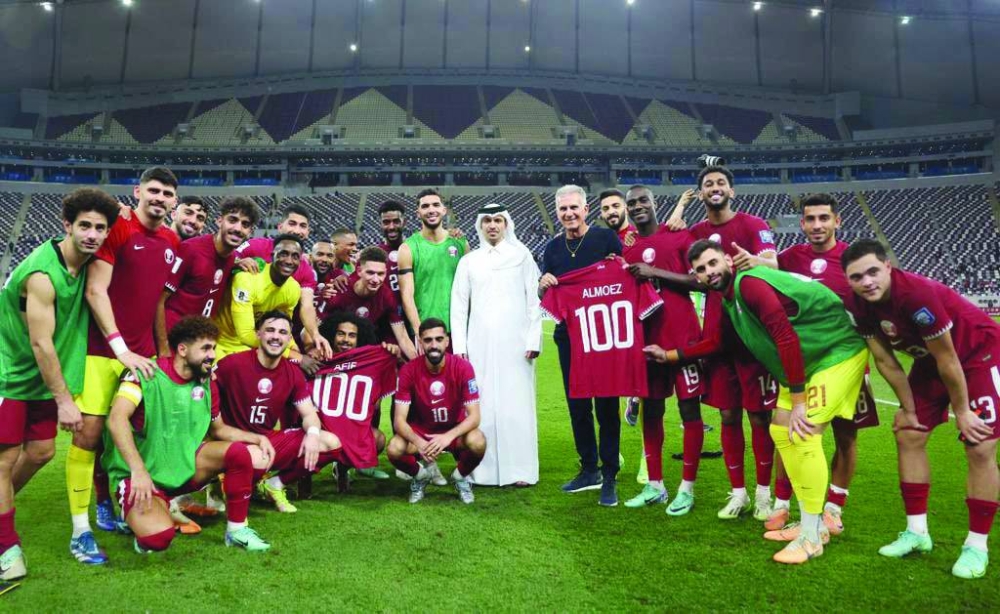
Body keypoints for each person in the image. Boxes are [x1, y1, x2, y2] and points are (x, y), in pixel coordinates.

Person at [645, 239, 868, 564]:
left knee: (802, 434)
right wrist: (670, 355)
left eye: (712, 263)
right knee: (781, 432)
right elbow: (719, 342)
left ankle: (811, 536)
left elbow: (784, 336)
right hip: (812, 359)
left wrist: (799, 399)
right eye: (701, 270)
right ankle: (813, 523)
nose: (709, 272)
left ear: (727, 260)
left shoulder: (749, 284)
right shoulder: (728, 297)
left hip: (835, 352)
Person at [842, 239, 1000, 580]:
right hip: (933, 362)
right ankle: (917, 533)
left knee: (980, 444)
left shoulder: (916, 295)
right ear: (848, 280)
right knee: (908, 432)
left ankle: (976, 546)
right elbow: (884, 358)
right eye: (857, 277)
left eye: (873, 271)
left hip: (979, 354)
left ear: (888, 266)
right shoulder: (856, 305)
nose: (867, 282)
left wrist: (963, 411)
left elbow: (949, 358)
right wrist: (908, 407)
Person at [0, 188, 118, 580]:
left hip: (43, 376)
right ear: (66, 225)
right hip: (11, 373)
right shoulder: (42, 274)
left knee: (40, 452)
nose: (92, 234)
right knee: (3, 459)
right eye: (84, 225)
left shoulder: (87, 264)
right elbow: (40, 342)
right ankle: (6, 549)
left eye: (100, 228)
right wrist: (65, 400)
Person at [68, 166, 181, 564]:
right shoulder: (117, 227)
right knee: (90, 434)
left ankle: (113, 498)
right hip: (102, 351)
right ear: (137, 191)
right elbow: (96, 290)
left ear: (174, 201)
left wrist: (162, 352)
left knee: (131, 433)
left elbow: (157, 303)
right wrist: (119, 348)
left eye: (168, 194)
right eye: (153, 190)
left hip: (144, 355)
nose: (160, 198)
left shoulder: (171, 239)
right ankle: (81, 529)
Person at [103, 316, 274, 553]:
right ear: (182, 349)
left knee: (241, 453)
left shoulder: (206, 382)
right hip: (141, 474)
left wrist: (256, 438)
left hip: (181, 466)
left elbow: (219, 429)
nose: (212, 355)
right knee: (158, 539)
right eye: (205, 348)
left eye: (213, 348)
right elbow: (116, 419)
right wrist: (138, 470)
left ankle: (237, 530)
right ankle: (142, 511)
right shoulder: (146, 372)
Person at [772, 193, 878, 534]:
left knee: (846, 437)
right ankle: (784, 503)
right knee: (791, 430)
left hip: (845, 362)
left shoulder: (851, 260)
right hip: (802, 363)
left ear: (837, 221)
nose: (817, 225)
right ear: (801, 223)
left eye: (824, 218)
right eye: (810, 219)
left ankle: (833, 507)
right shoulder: (789, 258)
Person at [679, 165, 779, 521]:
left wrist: (754, 261)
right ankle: (739, 494)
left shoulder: (753, 225)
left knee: (759, 417)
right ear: (701, 194)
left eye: (721, 182)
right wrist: (676, 214)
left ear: (731, 191)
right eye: (708, 184)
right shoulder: (696, 233)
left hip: (753, 339)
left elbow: (774, 262)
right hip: (718, 341)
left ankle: (763, 495)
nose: (715, 188)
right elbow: (680, 264)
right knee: (727, 414)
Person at [620, 185, 707, 516]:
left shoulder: (678, 237)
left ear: (655, 204)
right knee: (651, 412)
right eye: (632, 204)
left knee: (689, 413)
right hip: (648, 344)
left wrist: (654, 272)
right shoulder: (629, 250)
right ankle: (655, 485)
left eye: (643, 200)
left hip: (683, 340)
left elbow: (700, 281)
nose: (638, 206)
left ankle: (687, 488)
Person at [539, 184, 624, 506]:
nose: (569, 214)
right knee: (578, 406)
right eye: (563, 209)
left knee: (606, 405)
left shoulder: (604, 239)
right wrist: (542, 285)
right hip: (568, 336)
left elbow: (621, 278)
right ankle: (589, 469)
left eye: (574, 207)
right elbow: (546, 296)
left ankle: (610, 474)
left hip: (602, 336)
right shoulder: (553, 249)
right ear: (557, 212)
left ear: (586, 209)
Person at [451, 203, 542, 487]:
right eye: (487, 220)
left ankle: (520, 472)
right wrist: (459, 347)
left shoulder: (522, 255)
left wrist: (534, 338)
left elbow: (534, 300)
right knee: (483, 405)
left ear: (506, 224)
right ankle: (481, 470)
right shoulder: (469, 261)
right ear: (480, 225)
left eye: (498, 220)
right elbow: (458, 305)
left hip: (517, 346)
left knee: (517, 407)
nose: (492, 225)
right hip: (478, 344)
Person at [214, 311, 341, 513]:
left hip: (266, 441)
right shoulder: (232, 364)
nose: (276, 336)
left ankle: (275, 484)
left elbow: (309, 414)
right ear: (258, 334)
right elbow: (206, 401)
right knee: (257, 458)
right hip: (232, 441)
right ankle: (220, 480)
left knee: (330, 442)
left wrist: (313, 434)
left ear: (289, 339)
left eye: (283, 332)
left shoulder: (292, 373)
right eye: (270, 330)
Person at [387, 318, 486, 504]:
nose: (434, 345)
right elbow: (399, 421)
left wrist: (448, 437)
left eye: (439, 339)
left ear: (447, 341)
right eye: (428, 340)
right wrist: (419, 442)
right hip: (422, 434)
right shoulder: (408, 371)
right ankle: (420, 476)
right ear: (420, 341)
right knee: (394, 448)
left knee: (478, 441)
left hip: (453, 434)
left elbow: (475, 416)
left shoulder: (463, 367)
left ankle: (460, 477)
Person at [155, 196, 260, 356]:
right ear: (219, 221)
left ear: (250, 232)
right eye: (232, 220)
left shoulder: (231, 259)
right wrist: (163, 348)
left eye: (245, 225)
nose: (238, 228)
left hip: (200, 343)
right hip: (174, 341)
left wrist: (237, 262)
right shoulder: (190, 249)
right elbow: (159, 300)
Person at [311, 312, 401, 489]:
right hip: (323, 429)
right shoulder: (318, 359)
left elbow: (377, 398)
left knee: (378, 439)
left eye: (352, 335)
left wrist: (392, 352)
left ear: (360, 339)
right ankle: (302, 481)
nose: (346, 340)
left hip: (350, 428)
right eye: (341, 333)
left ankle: (342, 470)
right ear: (332, 335)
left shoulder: (369, 363)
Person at [235, 204, 331, 359]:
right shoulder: (256, 245)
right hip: (234, 329)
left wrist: (315, 335)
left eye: (303, 226)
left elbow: (306, 306)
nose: (297, 230)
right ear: (280, 226)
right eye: (292, 224)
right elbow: (228, 257)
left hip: (268, 333)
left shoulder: (306, 270)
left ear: (307, 232)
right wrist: (237, 261)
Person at [214, 234, 303, 361]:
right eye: (283, 254)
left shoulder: (294, 289)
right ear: (272, 256)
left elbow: (284, 327)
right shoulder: (247, 279)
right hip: (218, 342)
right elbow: (245, 335)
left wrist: (294, 348)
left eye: (295, 256)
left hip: (250, 346)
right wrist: (290, 354)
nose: (289, 261)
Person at [322, 247, 417, 360]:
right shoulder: (339, 289)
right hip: (333, 352)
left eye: (380, 274)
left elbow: (402, 338)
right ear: (359, 271)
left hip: (365, 353)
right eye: (370, 273)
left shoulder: (387, 296)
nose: (376, 280)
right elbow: (313, 328)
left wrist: (419, 365)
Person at [397, 188, 468, 337]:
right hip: (427, 332)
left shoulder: (461, 243)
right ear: (418, 213)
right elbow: (407, 295)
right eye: (425, 206)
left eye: (435, 205)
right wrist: (418, 330)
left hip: (459, 329)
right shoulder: (408, 248)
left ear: (444, 210)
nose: (431, 210)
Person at [377, 199, 406, 302]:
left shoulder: (415, 249)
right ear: (380, 224)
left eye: (396, 221)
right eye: (386, 222)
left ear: (404, 222)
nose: (391, 227)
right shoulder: (374, 254)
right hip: (385, 315)